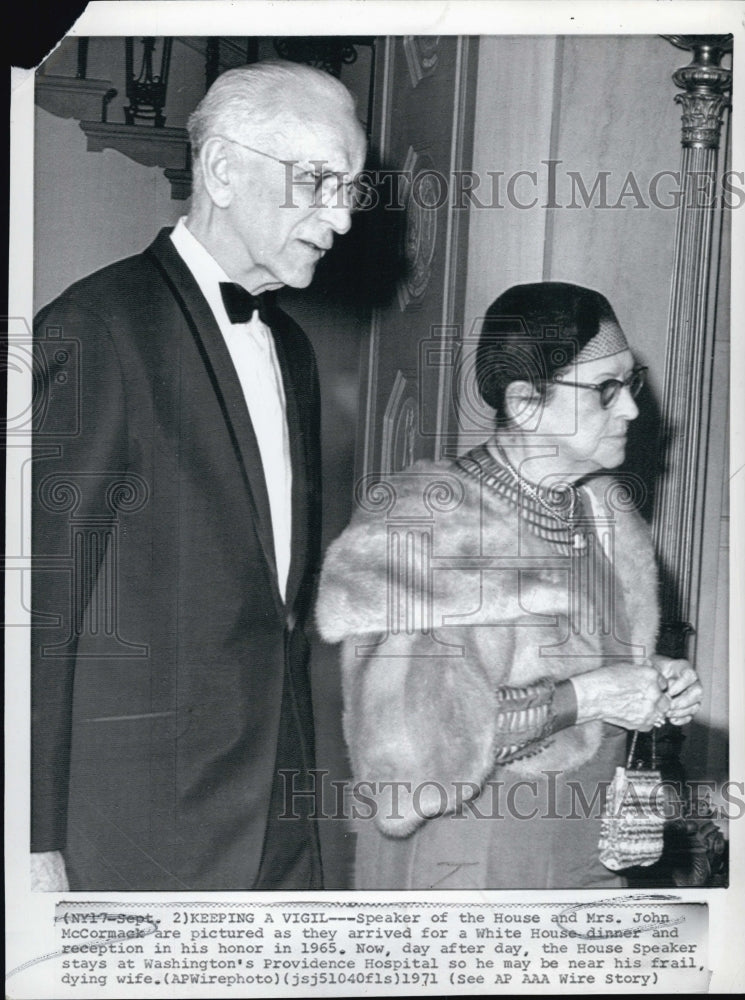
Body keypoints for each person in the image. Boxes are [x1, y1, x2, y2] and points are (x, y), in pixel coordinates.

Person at [31, 60, 367, 890]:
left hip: (279, 816)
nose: (342, 219)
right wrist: (33, 838)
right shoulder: (97, 326)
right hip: (140, 826)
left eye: (350, 189)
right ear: (221, 170)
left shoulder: (290, 347)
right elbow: (36, 610)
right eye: (319, 182)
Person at [315, 281, 703, 889]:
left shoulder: (604, 515)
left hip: (593, 849)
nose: (630, 408)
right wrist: (593, 695)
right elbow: (410, 762)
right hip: (473, 863)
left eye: (629, 384)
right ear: (525, 402)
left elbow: (581, 661)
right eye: (605, 390)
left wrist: (649, 677)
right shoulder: (424, 527)